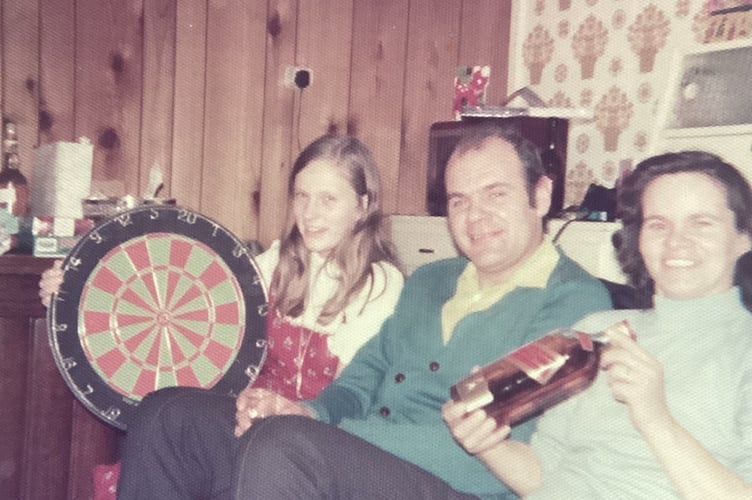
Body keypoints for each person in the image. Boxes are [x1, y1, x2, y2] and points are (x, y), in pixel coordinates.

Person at [228, 124, 613, 499]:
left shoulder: (574, 303)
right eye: (459, 201)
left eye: (495, 195)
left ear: (541, 196)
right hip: (366, 460)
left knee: (282, 445)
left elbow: (508, 450)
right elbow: (361, 380)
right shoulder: (430, 281)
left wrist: (331, 432)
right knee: (181, 416)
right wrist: (309, 412)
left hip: (460, 484)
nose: (474, 216)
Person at [38, 134, 405, 499]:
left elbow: (356, 396)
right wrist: (73, 288)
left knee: (182, 429)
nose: (309, 214)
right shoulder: (278, 263)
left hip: (318, 443)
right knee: (160, 409)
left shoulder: (380, 284)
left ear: (362, 205)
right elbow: (174, 304)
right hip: (253, 422)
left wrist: (286, 412)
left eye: (328, 199)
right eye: (301, 195)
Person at [439, 150, 752, 499]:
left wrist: (654, 416)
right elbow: (542, 475)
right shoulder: (594, 332)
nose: (676, 241)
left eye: (701, 223)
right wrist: (486, 444)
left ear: (744, 238)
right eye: (658, 225)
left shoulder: (743, 352)